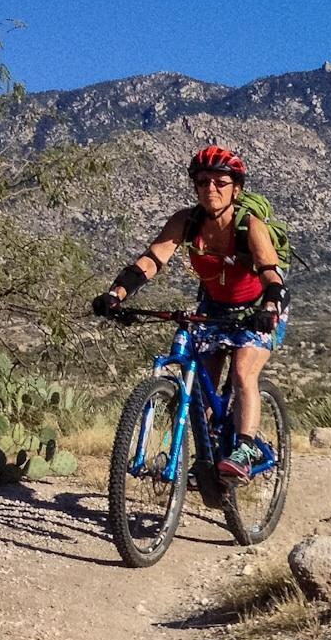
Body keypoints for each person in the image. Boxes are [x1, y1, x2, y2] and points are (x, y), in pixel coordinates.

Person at [91, 146, 288, 480]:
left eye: (220, 182)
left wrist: (269, 309)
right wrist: (116, 294)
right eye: (202, 181)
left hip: (258, 306)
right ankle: (206, 457)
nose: (210, 188)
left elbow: (271, 272)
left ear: (236, 188)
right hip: (214, 307)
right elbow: (152, 260)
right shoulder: (187, 221)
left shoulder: (249, 225)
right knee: (201, 383)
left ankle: (245, 447)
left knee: (242, 373)